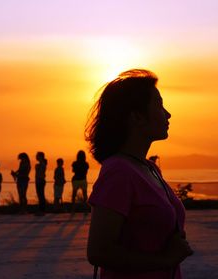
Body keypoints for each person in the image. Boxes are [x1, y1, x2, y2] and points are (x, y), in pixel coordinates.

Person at [86, 69, 193, 279]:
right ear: (136, 117)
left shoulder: (149, 168)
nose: (168, 113)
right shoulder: (119, 172)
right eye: (159, 104)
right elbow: (99, 251)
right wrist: (165, 260)